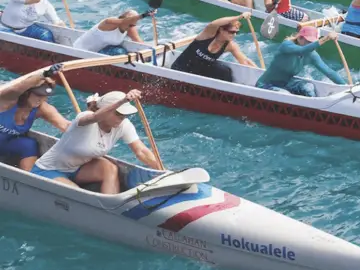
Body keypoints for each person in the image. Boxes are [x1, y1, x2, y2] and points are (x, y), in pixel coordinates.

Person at [32, 89, 161, 194]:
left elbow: (141, 151)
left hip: (77, 170)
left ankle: (111, 208)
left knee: (110, 168)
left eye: (125, 114)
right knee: (76, 193)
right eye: (118, 113)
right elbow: (95, 116)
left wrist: (162, 171)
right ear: (104, 110)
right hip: (48, 170)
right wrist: (123, 100)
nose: (122, 117)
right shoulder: (84, 118)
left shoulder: (123, 125)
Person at [0, 64, 71, 171]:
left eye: (44, 96)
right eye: (38, 94)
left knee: (29, 144)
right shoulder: (8, 100)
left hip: (5, 145)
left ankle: (29, 179)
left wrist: (90, 119)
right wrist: (44, 74)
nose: (41, 99)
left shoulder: (42, 108)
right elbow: (18, 87)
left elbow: (66, 126)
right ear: (27, 92)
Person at [256, 26, 344, 97]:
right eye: (308, 41)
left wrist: (347, 88)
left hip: (287, 84)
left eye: (312, 42)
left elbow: (329, 72)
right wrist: (326, 38)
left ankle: (313, 108)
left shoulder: (312, 55)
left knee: (309, 87)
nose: (310, 44)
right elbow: (302, 50)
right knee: (285, 95)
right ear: (299, 38)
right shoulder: (286, 45)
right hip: (266, 85)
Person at [171, 13, 255, 81]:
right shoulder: (208, 35)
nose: (234, 35)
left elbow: (245, 61)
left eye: (236, 32)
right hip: (180, 69)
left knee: (225, 71)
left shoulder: (230, 45)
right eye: (231, 32)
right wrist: (239, 17)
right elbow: (214, 23)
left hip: (199, 73)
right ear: (221, 30)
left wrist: (261, 75)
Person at [72, 9, 153, 55]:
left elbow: (139, 43)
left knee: (122, 51)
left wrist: (152, 50)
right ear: (122, 18)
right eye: (131, 19)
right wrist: (143, 15)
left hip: (100, 52)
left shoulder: (130, 26)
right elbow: (125, 21)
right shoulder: (109, 22)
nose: (132, 23)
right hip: (80, 52)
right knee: (119, 52)